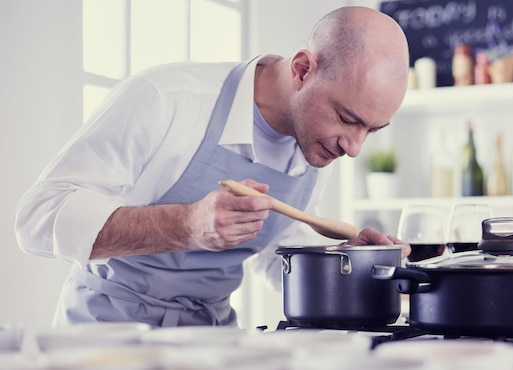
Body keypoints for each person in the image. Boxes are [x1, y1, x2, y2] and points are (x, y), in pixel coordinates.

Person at [15, 6, 411, 328]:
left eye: (371, 130)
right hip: (104, 337)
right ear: (303, 70)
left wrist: (342, 260)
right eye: (347, 118)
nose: (355, 148)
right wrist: (186, 224)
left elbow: (274, 253)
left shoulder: (317, 141)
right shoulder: (165, 99)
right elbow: (36, 219)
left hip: (210, 342)